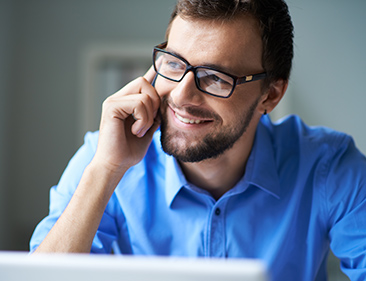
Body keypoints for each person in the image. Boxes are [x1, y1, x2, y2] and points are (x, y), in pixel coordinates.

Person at [30, 0, 366, 280]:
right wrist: (105, 170)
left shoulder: (329, 167)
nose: (181, 95)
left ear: (271, 95)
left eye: (216, 77)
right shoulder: (105, 155)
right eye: (174, 64)